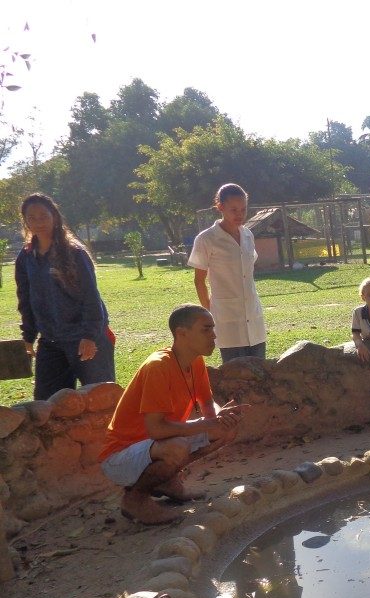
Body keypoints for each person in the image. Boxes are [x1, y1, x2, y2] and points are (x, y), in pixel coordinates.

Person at [99, 305, 247, 524]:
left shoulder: (195, 361)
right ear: (182, 333)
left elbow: (207, 404)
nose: (214, 335)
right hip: (120, 458)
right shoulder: (158, 366)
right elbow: (156, 429)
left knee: (226, 429)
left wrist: (219, 416)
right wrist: (208, 423)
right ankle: (135, 500)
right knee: (177, 446)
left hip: (156, 446)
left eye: (213, 329)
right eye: (206, 329)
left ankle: (165, 481)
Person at [15, 193, 116, 401]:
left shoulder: (74, 252)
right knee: (47, 406)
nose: (38, 222)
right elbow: (26, 299)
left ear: (55, 216)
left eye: (43, 216)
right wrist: (28, 336)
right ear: (25, 221)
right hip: (51, 341)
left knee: (101, 402)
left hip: (85, 339)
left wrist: (89, 335)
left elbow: (91, 296)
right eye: (32, 218)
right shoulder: (26, 257)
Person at [189, 183, 267, 363]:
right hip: (227, 320)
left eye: (243, 209)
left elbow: (246, 273)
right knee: (236, 378)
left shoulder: (248, 235)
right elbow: (199, 281)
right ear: (220, 207)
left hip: (253, 317)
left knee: (260, 377)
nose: (239, 215)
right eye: (233, 209)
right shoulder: (206, 239)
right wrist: (209, 314)